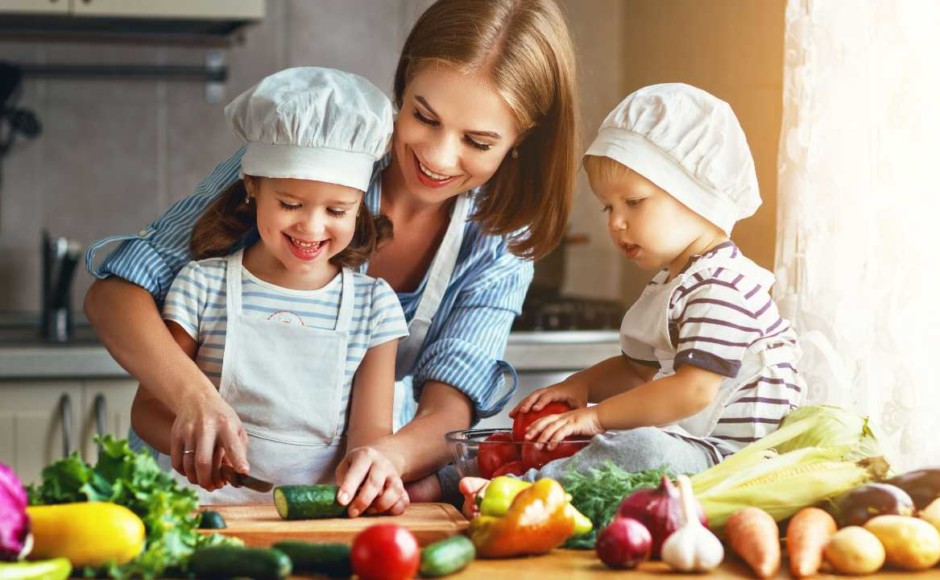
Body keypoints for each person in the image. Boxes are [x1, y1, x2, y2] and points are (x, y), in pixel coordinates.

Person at [83, 0, 579, 515]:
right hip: (182, 487)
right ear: (403, 85)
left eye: (477, 141)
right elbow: (115, 295)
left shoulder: (500, 237)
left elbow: (447, 405)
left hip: (322, 498)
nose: (436, 156)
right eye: (423, 116)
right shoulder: (308, 147)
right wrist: (195, 400)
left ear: (522, 140)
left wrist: (385, 458)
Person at [129, 67, 410, 505]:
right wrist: (194, 446)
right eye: (291, 204)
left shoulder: (374, 307)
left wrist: (371, 476)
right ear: (252, 186)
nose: (312, 227)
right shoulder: (203, 286)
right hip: (204, 511)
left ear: (360, 206)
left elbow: (369, 437)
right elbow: (148, 410)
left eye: (338, 210)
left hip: (313, 520)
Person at [504, 83, 805, 485]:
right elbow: (634, 371)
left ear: (695, 195)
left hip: (736, 462)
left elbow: (693, 391)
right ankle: (477, 474)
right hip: (694, 447)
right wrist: (581, 386)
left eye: (634, 202)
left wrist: (595, 416)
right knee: (619, 441)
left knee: (643, 448)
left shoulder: (723, 287)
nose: (614, 222)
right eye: (608, 206)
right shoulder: (674, 283)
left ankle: (522, 488)